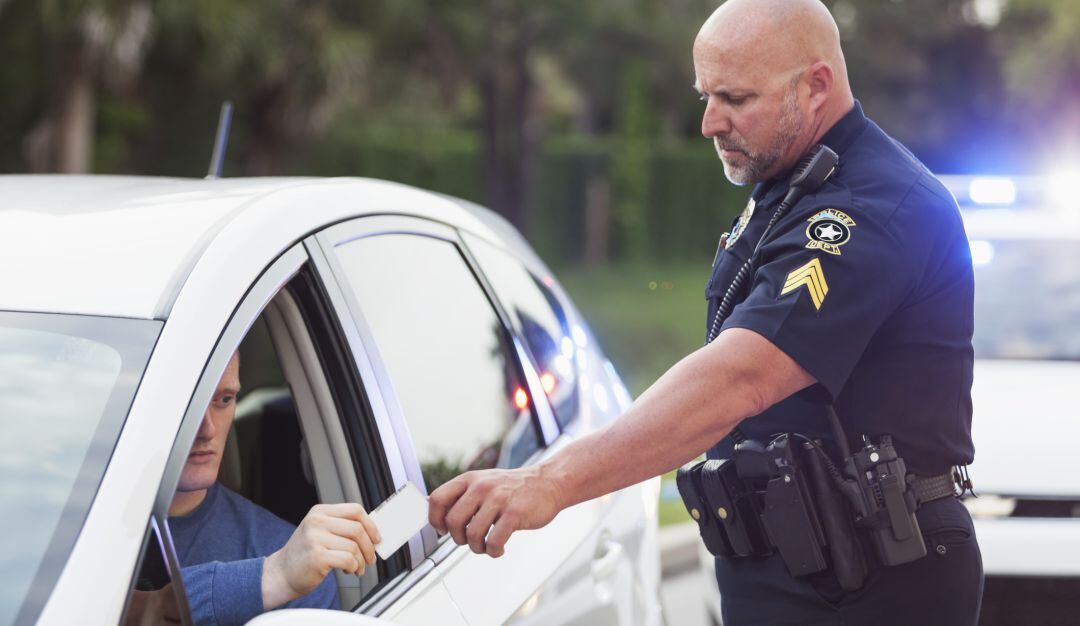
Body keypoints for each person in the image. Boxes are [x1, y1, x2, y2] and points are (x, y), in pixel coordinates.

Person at [428, 1, 983, 624]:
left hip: (874, 580)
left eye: (736, 98)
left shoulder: (868, 207)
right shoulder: (793, 182)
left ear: (817, 85)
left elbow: (741, 376)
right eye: (705, 97)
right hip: (797, 562)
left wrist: (551, 481)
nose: (709, 122)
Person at [148, 351, 381, 626]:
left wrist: (278, 574)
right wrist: (269, 577)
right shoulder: (88, 523)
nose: (207, 429)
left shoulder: (293, 558)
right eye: (187, 403)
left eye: (224, 400)